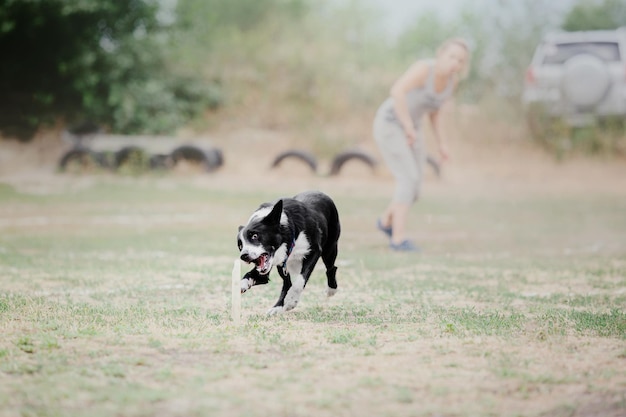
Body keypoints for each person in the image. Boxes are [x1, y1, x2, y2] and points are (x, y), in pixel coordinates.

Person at [373, 38, 470, 251]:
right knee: (407, 179)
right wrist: (407, 126)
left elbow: (435, 112)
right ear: (441, 54)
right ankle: (398, 239)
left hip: (413, 129)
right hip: (390, 123)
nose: (455, 62)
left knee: (415, 188)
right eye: (452, 56)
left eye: (460, 60)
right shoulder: (424, 69)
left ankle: (385, 221)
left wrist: (442, 144)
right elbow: (396, 91)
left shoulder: (451, 82)